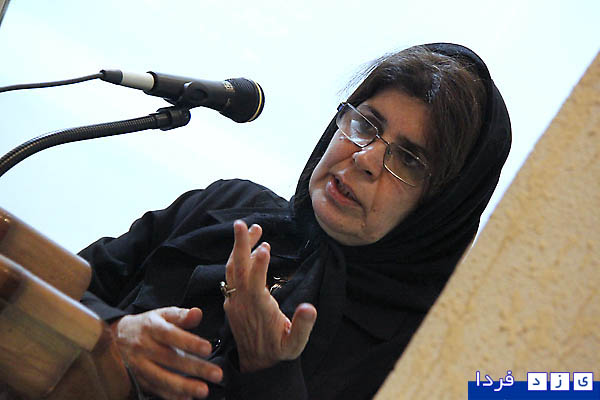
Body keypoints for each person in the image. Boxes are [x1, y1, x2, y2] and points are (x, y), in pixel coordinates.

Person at [79, 42, 511, 399]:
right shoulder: (225, 204)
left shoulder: (425, 355)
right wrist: (111, 334)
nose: (365, 158)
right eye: (366, 124)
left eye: (409, 159)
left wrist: (268, 371)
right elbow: (58, 280)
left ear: (439, 209)